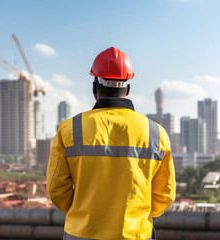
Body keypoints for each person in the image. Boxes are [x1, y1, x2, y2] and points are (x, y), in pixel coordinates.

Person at [46, 47, 176, 240]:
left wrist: (82, 213)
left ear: (93, 88)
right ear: (128, 88)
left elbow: (57, 190)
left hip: (82, 234)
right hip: (135, 235)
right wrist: (138, 216)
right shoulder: (156, 134)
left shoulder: (70, 129)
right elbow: (165, 195)